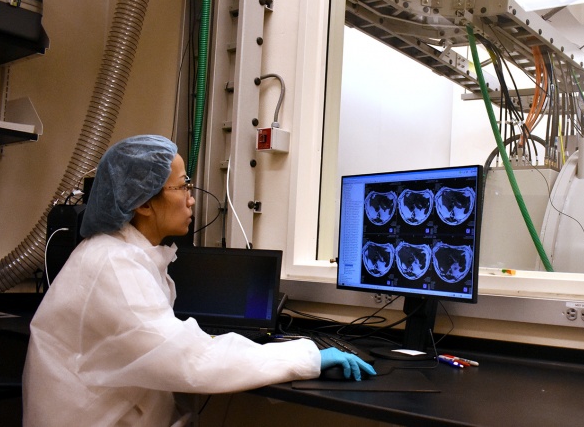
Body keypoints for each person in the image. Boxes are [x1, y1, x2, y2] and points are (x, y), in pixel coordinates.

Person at [23, 135, 374, 426]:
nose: (192, 198)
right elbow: (193, 361)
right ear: (143, 203)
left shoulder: (127, 256)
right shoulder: (114, 267)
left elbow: (173, 347)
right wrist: (306, 356)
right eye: (183, 186)